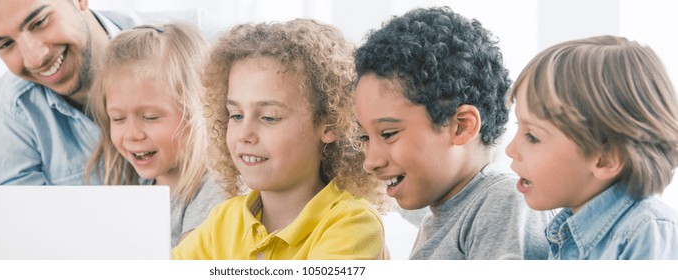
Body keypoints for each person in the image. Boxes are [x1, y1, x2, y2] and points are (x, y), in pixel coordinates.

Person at [0, 0, 200, 259]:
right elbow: (1, 254)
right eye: (6, 44)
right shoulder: (10, 114)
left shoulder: (202, 43)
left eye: (39, 22)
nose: (35, 57)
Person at [172, 19, 388, 260]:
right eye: (236, 115)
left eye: (269, 117)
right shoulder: (222, 221)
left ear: (330, 123)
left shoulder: (353, 224)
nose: (244, 134)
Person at [354, 6, 552, 259]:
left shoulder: (504, 202)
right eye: (364, 137)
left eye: (388, 133)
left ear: (461, 126)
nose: (370, 162)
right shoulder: (435, 221)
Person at [506, 35, 678, 259]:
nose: (510, 149)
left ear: (605, 158)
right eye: (519, 126)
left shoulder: (646, 232)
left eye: (532, 136)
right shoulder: (564, 232)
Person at [85, 23, 226, 247]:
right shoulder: (143, 190)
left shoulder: (214, 194)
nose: (132, 134)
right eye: (118, 119)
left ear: (198, 110)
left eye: (150, 117)